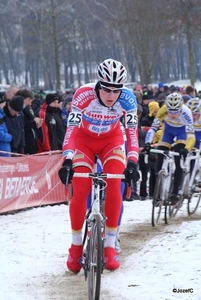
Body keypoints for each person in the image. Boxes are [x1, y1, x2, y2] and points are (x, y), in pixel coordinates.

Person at [58, 58, 140, 273]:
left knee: (114, 185)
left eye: (116, 90)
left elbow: (132, 136)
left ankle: (110, 246)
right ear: (98, 84)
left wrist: (132, 162)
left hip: (111, 141)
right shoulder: (83, 95)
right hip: (83, 142)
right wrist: (67, 159)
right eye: (107, 89)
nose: (111, 95)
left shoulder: (128, 100)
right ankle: (76, 248)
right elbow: (72, 130)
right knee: (81, 189)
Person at [144, 92, 195, 206]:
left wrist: (186, 149)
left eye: (175, 111)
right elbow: (153, 129)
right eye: (170, 111)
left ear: (180, 108)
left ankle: (175, 193)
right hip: (168, 131)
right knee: (160, 158)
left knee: (178, 162)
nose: (172, 114)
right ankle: (158, 192)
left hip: (182, 132)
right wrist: (148, 143)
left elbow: (191, 135)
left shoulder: (186, 113)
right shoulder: (163, 110)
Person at [16, 88, 43, 154]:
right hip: (25, 145)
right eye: (28, 101)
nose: (30, 104)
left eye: (31, 101)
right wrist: (34, 123)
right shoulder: (18, 111)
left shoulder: (28, 110)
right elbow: (23, 125)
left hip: (32, 143)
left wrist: (37, 124)